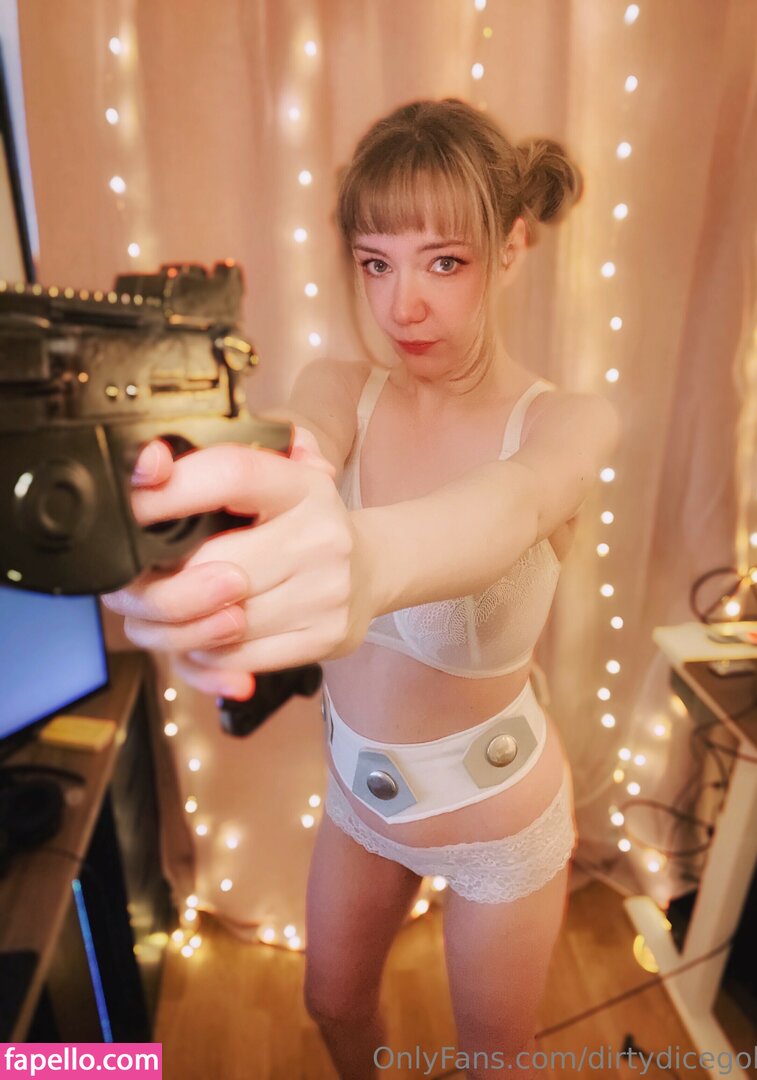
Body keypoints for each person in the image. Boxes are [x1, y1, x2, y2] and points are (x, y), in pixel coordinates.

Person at [103, 98, 620, 1079]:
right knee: (333, 1003)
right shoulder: (342, 387)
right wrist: (194, 496)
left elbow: (508, 507)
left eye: (443, 262)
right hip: (360, 795)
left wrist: (368, 562)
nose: (402, 306)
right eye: (377, 264)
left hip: (497, 822)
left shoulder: (568, 424)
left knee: (496, 1062)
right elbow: (300, 454)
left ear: (512, 246)